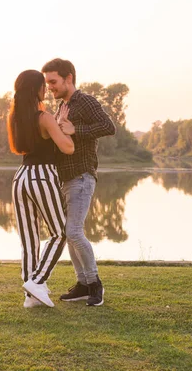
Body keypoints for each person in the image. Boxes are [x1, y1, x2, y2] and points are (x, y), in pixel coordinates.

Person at [42, 58, 116, 306]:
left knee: (73, 231)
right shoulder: (62, 106)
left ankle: (95, 284)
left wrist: (77, 130)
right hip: (66, 178)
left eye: (53, 81)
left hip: (82, 175)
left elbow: (108, 126)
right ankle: (83, 284)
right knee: (69, 233)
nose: (49, 86)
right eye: (47, 83)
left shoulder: (85, 101)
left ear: (69, 78)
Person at [7, 69, 75, 308]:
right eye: (42, 86)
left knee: (29, 240)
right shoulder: (43, 117)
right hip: (42, 177)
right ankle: (36, 281)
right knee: (59, 233)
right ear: (36, 89)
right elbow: (67, 148)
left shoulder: (15, 118)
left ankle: (30, 296)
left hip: (21, 178)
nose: (46, 89)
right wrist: (66, 127)